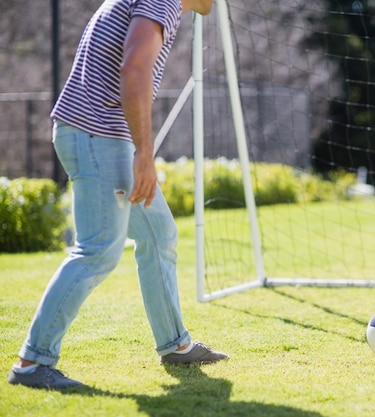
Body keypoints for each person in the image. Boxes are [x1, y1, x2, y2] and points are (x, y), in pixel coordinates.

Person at [8, 0, 227, 390]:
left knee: (158, 234)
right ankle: (32, 363)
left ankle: (175, 345)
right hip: (98, 137)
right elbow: (134, 68)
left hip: (101, 135)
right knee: (98, 250)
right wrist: (144, 153)